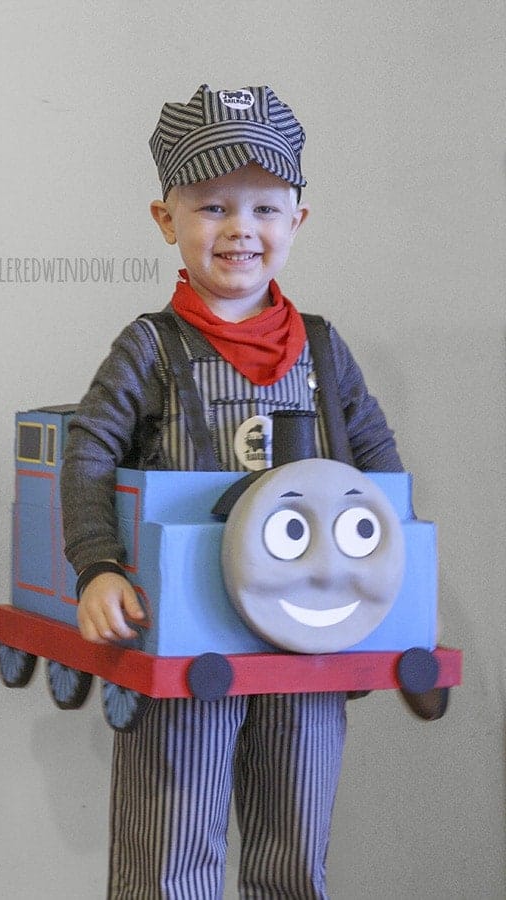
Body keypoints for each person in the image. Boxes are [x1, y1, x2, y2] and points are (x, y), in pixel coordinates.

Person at [61, 83, 404, 899]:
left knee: (294, 840)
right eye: (212, 206)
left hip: (310, 633)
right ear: (165, 219)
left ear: (297, 222)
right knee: (169, 842)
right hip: (185, 632)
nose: (239, 229)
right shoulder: (148, 346)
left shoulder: (324, 351)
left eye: (263, 209)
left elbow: (381, 469)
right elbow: (87, 455)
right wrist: (98, 565)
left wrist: (397, 587)